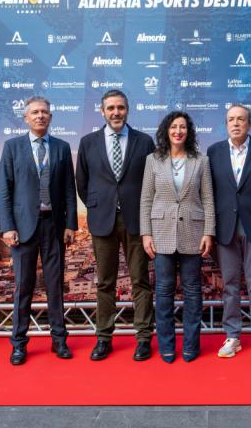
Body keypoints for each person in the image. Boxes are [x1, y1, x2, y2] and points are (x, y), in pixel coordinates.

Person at [76, 90, 155, 362]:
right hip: (102, 220)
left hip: (137, 220)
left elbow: (152, 181)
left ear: (127, 109)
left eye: (120, 107)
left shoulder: (144, 142)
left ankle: (143, 338)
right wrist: (99, 206)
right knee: (105, 282)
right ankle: (103, 338)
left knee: (140, 280)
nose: (116, 112)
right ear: (102, 111)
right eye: (110, 108)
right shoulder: (88, 143)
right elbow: (82, 183)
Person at [0, 96, 78, 365]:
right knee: (24, 287)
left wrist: (71, 224)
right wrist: (7, 226)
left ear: (51, 117)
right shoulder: (12, 147)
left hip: (54, 226)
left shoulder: (62, 148)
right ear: (26, 118)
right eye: (34, 112)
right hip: (23, 229)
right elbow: (5, 190)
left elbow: (69, 189)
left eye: (44, 112)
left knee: (55, 285)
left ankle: (59, 340)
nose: (40, 116)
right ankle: (18, 344)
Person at [140, 111, 215, 363]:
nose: (178, 131)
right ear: (166, 131)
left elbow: (208, 199)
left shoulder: (201, 161)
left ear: (189, 132)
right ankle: (167, 346)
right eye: (174, 127)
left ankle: (191, 346)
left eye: (183, 127)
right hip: (161, 233)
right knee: (163, 293)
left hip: (193, 233)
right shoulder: (153, 160)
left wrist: (208, 232)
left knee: (193, 292)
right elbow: (146, 199)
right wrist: (146, 233)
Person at [207, 104, 251, 358]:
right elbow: (209, 194)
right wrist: (209, 230)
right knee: (229, 285)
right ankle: (233, 336)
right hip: (225, 229)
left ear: (249, 124)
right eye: (231, 119)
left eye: (240, 119)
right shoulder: (214, 151)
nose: (236, 123)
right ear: (226, 124)